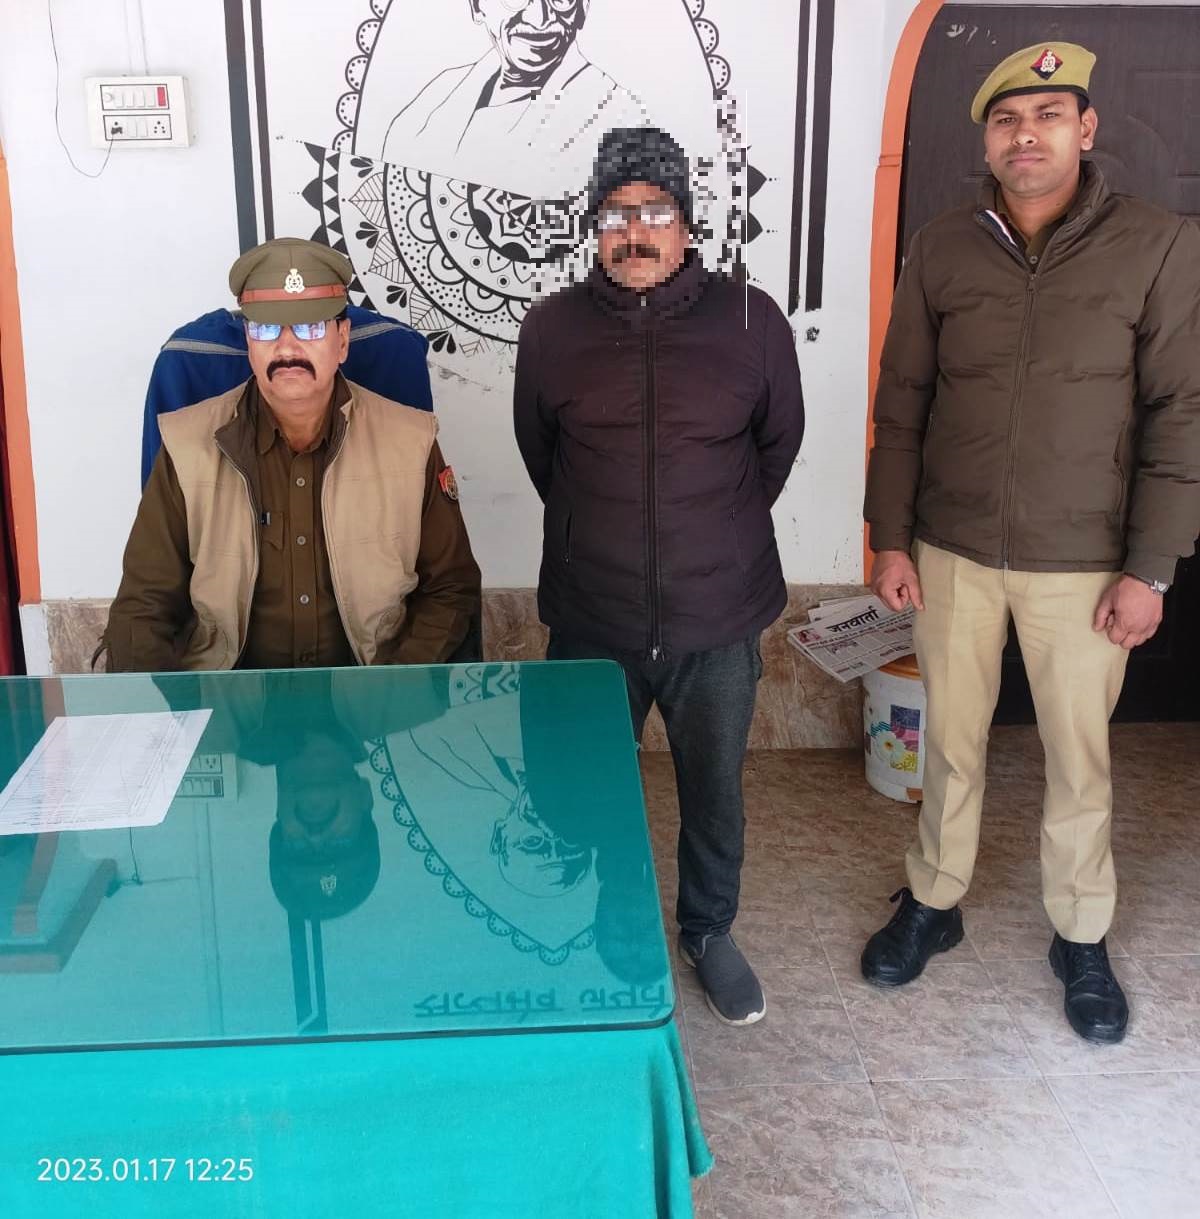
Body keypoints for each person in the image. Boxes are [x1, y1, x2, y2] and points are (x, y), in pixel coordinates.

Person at [861, 43, 1200, 1043]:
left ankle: (1081, 932)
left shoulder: (1156, 245)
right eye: (1008, 120)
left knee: (1078, 758)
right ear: (987, 141)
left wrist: (1151, 569)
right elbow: (902, 403)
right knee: (949, 745)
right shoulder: (942, 248)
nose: (1027, 136)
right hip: (952, 549)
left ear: (1085, 129)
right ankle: (933, 899)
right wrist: (891, 538)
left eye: (1049, 115)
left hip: (1085, 563)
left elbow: (1181, 414)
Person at [513, 126, 805, 1026]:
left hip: (716, 614)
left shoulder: (752, 320)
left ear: (687, 224)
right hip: (593, 611)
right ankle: (616, 908)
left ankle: (709, 930)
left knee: (713, 790)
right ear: (593, 226)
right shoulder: (552, 329)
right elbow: (543, 456)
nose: (634, 232)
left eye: (654, 212)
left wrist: (706, 533)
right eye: (615, 214)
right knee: (587, 784)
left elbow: (775, 448)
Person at [100, 237, 481, 672]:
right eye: (266, 329)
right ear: (249, 342)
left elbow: (451, 589)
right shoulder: (187, 446)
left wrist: (397, 687)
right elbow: (143, 605)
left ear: (342, 341)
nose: (286, 349)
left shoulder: (410, 440)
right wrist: (165, 710)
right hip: (230, 700)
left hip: (371, 696)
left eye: (310, 327)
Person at [381, 0, 644, 196]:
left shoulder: (618, 118)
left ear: (582, 8)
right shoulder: (436, 98)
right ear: (477, 7)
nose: (539, 19)